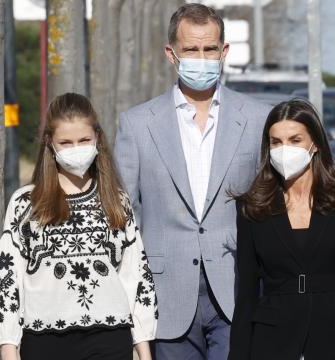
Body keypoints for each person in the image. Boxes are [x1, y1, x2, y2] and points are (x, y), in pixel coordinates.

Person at [114, 4, 271, 359]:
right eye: (191, 49)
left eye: (209, 49)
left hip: (236, 289)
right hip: (165, 294)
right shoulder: (137, 125)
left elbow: (269, 204)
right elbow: (125, 215)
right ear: (172, 53)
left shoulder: (258, 119)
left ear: (224, 52)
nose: (201, 58)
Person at [0, 93, 157, 360]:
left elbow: (135, 275)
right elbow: (8, 279)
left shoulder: (116, 200)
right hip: (45, 342)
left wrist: (144, 351)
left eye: (84, 141)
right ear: (50, 144)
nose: (75, 149)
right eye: (65, 143)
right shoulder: (25, 204)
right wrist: (8, 348)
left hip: (110, 338)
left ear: (98, 139)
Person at [228, 99, 335, 360]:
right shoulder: (252, 207)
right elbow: (246, 289)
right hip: (271, 338)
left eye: (295, 140)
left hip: (333, 333)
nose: (284, 149)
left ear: (314, 143)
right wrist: (238, 353)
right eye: (276, 142)